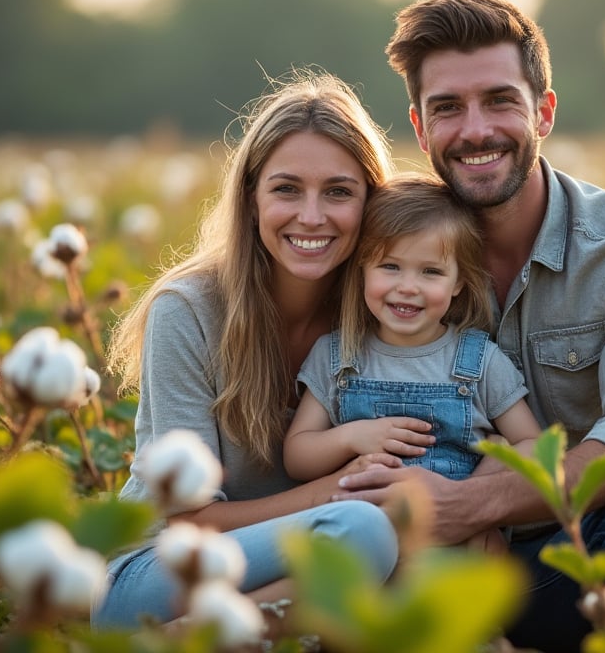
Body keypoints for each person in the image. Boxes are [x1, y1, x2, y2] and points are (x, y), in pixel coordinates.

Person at [332, 0, 605, 652]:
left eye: (500, 101)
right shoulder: (382, 249)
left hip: (562, 563)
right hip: (403, 569)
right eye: (447, 108)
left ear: (543, 111)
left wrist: (469, 503)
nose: (475, 129)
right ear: (421, 129)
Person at [93, 71, 401, 636]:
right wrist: (334, 491)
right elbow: (192, 519)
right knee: (365, 532)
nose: (312, 216)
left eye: (339, 191)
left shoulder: (386, 316)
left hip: (308, 558)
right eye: (286, 189)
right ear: (251, 199)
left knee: (406, 547)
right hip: (160, 574)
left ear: (370, 204)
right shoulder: (187, 310)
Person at [283, 171, 541, 552]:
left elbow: (534, 443)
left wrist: (475, 492)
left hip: (458, 541)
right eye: (390, 266)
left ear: (458, 283)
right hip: (366, 544)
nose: (408, 286)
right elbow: (297, 456)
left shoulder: (478, 360)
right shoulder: (338, 357)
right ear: (362, 269)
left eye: (431, 272)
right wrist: (352, 437)